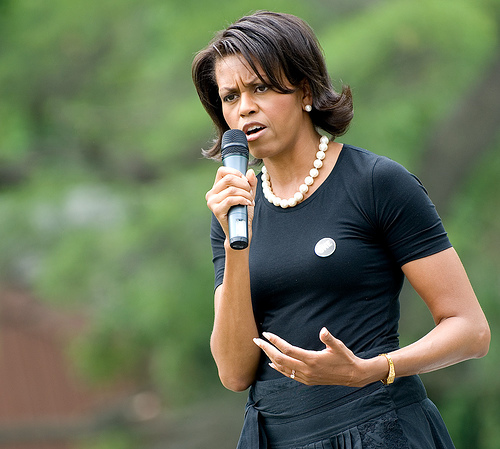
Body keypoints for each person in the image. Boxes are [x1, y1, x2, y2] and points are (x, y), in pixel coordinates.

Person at [192, 10, 490, 449]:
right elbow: (235, 372)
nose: (245, 108)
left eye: (260, 88)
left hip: (377, 428)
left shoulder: (375, 183)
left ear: (306, 91)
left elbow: (471, 329)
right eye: (230, 97)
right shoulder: (233, 212)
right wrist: (239, 245)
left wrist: (373, 369)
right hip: (275, 437)